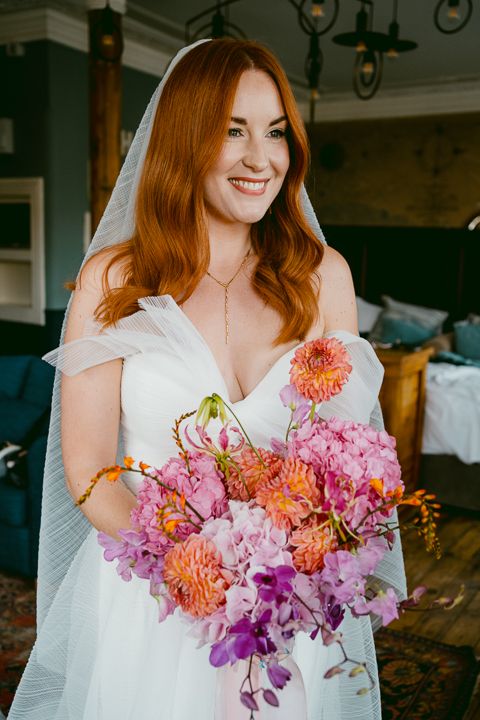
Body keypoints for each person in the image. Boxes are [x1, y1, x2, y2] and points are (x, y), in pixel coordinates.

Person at [9, 39, 406, 720]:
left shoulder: (322, 277)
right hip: (157, 601)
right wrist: (191, 566)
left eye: (276, 132)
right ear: (184, 139)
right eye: (233, 131)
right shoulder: (115, 279)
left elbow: (344, 464)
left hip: (285, 603)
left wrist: (293, 560)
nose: (263, 158)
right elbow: (85, 471)